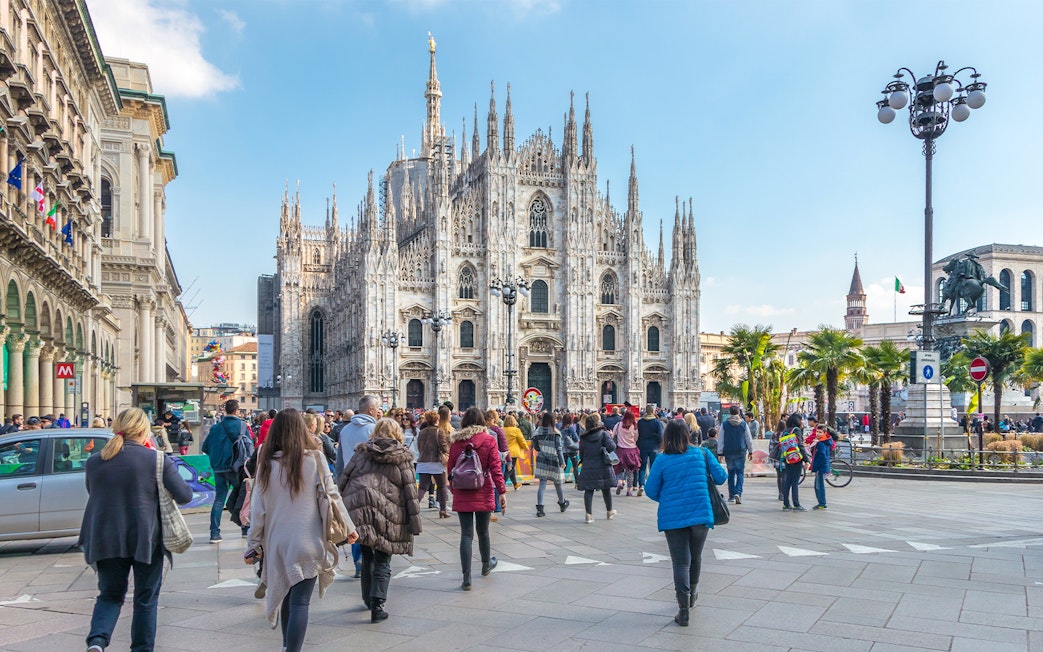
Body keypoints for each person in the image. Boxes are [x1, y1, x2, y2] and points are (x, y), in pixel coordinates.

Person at [80, 408, 193, 652]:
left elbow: (94, 494)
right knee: (145, 600)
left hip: (104, 538)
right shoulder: (156, 459)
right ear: (144, 430)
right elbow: (185, 495)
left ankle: (97, 642)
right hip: (146, 538)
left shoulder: (95, 461)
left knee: (109, 595)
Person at [246, 408, 357, 651]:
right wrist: (348, 527)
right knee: (300, 602)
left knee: (286, 594)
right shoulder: (315, 458)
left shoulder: (265, 460)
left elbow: (258, 508)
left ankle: (289, 646)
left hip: (277, 542)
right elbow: (331, 496)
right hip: (309, 539)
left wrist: (253, 542)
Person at [645, 420, 727, 627]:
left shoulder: (662, 460)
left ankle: (683, 611)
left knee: (681, 562)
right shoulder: (702, 454)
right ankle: (692, 597)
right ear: (688, 434)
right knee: (695, 557)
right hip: (700, 513)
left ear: (667, 437)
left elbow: (651, 490)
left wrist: (669, 498)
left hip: (672, 517)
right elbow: (721, 477)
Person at [339, 417, 421, 623]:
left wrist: (338, 507)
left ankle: (368, 598)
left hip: (362, 509)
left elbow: (344, 478)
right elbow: (411, 491)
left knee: (367, 555)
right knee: (383, 558)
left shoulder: (361, 452)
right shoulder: (402, 456)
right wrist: (415, 523)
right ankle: (377, 605)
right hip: (389, 513)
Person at [448, 407, 506, 590]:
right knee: (483, 531)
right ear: (483, 422)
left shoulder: (456, 442)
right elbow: (496, 468)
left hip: (463, 491)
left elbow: (450, 470)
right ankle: (485, 565)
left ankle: (466, 578)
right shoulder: (489, 440)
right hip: (483, 488)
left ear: (464, 422)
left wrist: (454, 489)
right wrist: (502, 492)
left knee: (466, 534)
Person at [202, 399, 253, 543]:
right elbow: (249, 448)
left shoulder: (215, 427)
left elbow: (205, 447)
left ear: (225, 410)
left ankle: (215, 533)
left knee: (219, 499)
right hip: (236, 468)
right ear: (237, 411)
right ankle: (244, 528)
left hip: (218, 468)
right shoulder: (242, 426)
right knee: (241, 497)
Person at [577, 413, 617, 523]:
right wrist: (610, 436)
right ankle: (609, 511)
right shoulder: (603, 434)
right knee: (605, 488)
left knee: (589, 490)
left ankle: (588, 514)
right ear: (596, 423)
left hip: (588, 466)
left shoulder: (583, 437)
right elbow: (612, 447)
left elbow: (581, 454)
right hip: (602, 465)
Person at [531, 412, 568, 516]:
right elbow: (559, 449)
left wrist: (542, 450)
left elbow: (536, 447)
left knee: (542, 484)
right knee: (557, 483)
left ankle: (540, 509)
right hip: (554, 459)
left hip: (542, 459)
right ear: (553, 421)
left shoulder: (537, 432)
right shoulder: (555, 432)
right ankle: (562, 503)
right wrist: (562, 462)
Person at [334, 395, 381, 478]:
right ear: (370, 410)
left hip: (349, 478)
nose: (378, 411)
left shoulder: (345, 429)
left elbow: (340, 461)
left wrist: (340, 482)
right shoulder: (375, 429)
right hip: (369, 479)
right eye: (377, 408)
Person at [416, 411, 450, 518]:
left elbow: (419, 446)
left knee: (422, 488)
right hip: (436, 462)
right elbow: (444, 447)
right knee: (441, 486)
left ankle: (413, 508)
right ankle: (443, 510)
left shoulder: (421, 432)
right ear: (437, 420)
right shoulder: (439, 432)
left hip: (423, 462)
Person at [717, 406, 753, 505]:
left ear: (730, 412)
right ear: (738, 412)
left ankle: (731, 495)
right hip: (740, 451)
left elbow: (721, 439)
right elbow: (748, 439)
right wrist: (750, 451)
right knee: (740, 473)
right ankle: (738, 492)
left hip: (729, 452)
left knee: (731, 474)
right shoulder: (743, 424)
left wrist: (720, 453)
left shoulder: (725, 424)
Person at [779, 413, 812, 511]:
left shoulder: (786, 430)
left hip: (787, 458)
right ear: (797, 421)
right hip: (796, 458)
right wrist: (806, 460)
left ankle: (786, 504)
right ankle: (796, 504)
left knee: (787, 480)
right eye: (801, 420)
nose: (802, 421)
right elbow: (800, 446)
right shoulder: (796, 430)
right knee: (794, 482)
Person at [635, 404, 664, 496]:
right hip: (654, 446)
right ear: (653, 411)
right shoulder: (657, 422)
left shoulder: (640, 422)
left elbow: (637, 434)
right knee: (653, 466)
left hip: (642, 445)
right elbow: (660, 435)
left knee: (642, 466)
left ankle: (641, 485)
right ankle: (652, 486)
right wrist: (660, 445)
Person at [612, 409, 641, 496]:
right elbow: (636, 438)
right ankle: (629, 490)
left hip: (621, 450)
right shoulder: (634, 426)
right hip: (631, 450)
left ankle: (620, 482)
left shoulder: (618, 425)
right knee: (630, 471)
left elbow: (613, 435)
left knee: (619, 468)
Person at [502, 414, 529, 491]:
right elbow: (522, 440)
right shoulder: (516, 430)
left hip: (504, 452)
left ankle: (515, 484)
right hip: (513, 452)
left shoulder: (502, 429)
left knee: (511, 468)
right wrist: (526, 447)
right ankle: (502, 485)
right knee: (509, 469)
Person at [810, 425, 833, 510]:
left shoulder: (821, 443)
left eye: (820, 432)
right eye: (817, 432)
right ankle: (821, 502)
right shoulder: (822, 441)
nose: (818, 433)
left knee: (819, 486)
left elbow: (822, 455)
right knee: (818, 485)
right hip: (823, 466)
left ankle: (822, 503)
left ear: (825, 433)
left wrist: (817, 465)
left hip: (821, 467)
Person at [560, 412, 582, 486]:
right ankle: (577, 482)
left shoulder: (560, 428)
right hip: (572, 449)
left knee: (563, 466)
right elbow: (576, 438)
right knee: (575, 466)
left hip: (563, 450)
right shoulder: (571, 428)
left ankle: (560, 481)